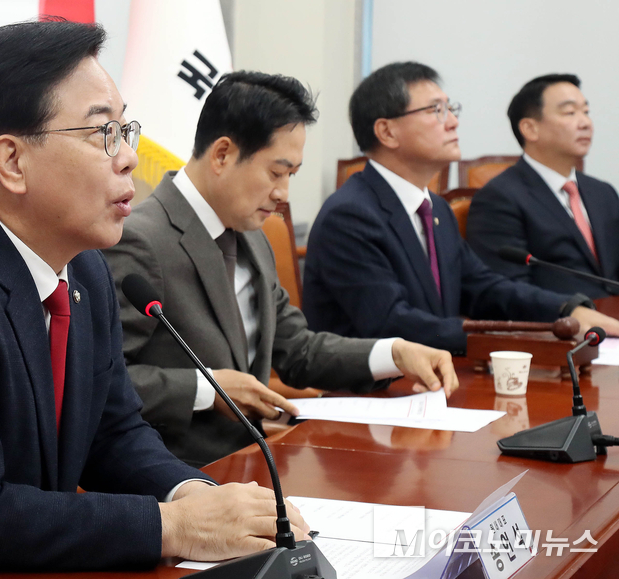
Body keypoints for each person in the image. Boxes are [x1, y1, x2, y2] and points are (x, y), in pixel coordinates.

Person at [0, 21, 311, 578]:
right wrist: (173, 526)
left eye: (127, 130)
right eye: (103, 133)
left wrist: (192, 493)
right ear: (12, 162)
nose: (128, 158)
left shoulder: (85, 272)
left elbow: (113, 433)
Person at [104, 71, 459, 468]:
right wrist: (206, 389)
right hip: (180, 474)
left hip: (256, 463)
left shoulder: (253, 236)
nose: (283, 193)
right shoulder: (140, 240)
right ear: (222, 154)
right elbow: (99, 380)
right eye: (276, 172)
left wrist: (394, 353)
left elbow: (298, 350)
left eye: (291, 175)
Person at [302, 62, 619, 356]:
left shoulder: (436, 209)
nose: (453, 122)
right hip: (369, 389)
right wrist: (513, 341)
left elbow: (484, 288)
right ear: (387, 132)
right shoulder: (351, 215)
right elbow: (391, 323)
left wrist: (568, 309)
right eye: (436, 111)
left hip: (434, 376)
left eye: (451, 109)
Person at [467, 74, 619, 298]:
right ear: (530, 129)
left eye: (586, 112)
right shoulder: (499, 198)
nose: (586, 123)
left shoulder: (603, 193)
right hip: (563, 318)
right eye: (570, 112)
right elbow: (506, 290)